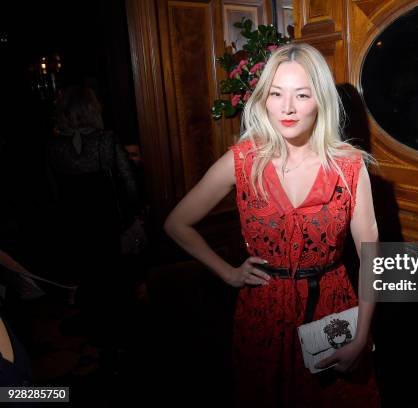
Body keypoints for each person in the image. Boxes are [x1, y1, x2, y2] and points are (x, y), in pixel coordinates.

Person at [164, 43, 379, 407]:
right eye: (276, 93)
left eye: (301, 94)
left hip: (331, 311)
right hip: (262, 314)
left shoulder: (349, 166)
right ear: (264, 98)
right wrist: (228, 273)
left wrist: (362, 334)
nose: (288, 107)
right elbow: (177, 223)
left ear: (320, 100)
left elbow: (371, 255)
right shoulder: (243, 161)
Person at [46, 86, 138, 342]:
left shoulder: (53, 146)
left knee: (87, 272)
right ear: (91, 109)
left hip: (72, 224)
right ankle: (115, 329)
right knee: (111, 275)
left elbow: (52, 194)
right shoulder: (105, 139)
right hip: (106, 222)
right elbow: (129, 184)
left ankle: (94, 323)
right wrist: (132, 216)